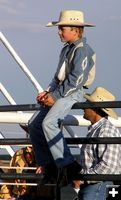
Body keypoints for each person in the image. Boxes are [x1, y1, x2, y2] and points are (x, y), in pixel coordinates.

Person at [28, 10, 96, 184]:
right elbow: (58, 76)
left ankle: (67, 164)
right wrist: (47, 92)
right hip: (62, 91)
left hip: (73, 92)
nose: (59, 32)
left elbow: (77, 80)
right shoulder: (67, 49)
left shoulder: (83, 50)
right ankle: (48, 164)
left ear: (75, 30)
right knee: (33, 125)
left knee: (48, 123)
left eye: (62, 28)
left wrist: (55, 96)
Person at [72, 87, 121, 200]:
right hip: (95, 185)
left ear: (95, 108)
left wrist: (82, 178)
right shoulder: (99, 129)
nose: (84, 106)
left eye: (87, 103)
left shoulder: (106, 130)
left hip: (97, 186)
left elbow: (109, 167)